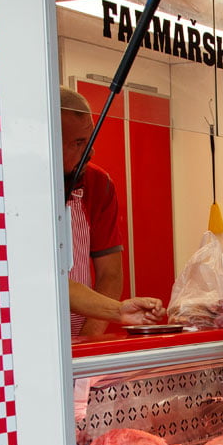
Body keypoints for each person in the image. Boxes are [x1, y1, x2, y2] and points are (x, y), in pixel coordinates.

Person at [59, 89, 164, 336]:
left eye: (89, 140)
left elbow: (110, 273)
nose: (90, 152)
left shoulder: (98, 184)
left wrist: (89, 340)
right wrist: (118, 311)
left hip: (81, 339)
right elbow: (48, 281)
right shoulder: (14, 189)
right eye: (78, 143)